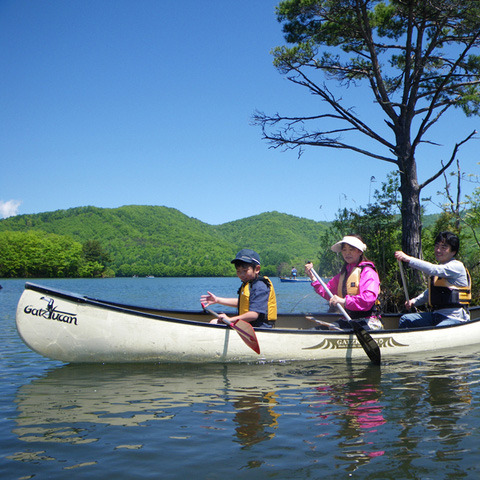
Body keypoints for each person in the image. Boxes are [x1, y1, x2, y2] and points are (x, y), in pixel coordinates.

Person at [305, 235, 383, 331]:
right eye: (344, 250)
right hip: (348, 320)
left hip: (368, 321)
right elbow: (327, 292)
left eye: (351, 249)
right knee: (314, 331)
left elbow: (368, 299)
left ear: (359, 251)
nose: (347, 253)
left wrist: (344, 301)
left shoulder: (368, 272)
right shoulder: (345, 273)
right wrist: (313, 278)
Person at [395, 231, 471, 329]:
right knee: (406, 319)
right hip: (436, 315)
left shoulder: (456, 266)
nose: (438, 250)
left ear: (453, 252)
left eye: (443, 247)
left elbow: (432, 269)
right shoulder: (440, 268)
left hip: (455, 317)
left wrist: (408, 259)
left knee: (438, 330)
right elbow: (429, 293)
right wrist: (414, 301)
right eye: (437, 246)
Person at [200, 248, 277, 328]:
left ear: (257, 269)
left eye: (245, 270)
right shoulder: (248, 283)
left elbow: (253, 315)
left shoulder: (260, 286)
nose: (241, 275)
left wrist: (230, 320)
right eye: (238, 271)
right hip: (249, 325)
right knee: (214, 322)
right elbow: (243, 302)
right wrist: (217, 300)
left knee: (214, 323)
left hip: (259, 328)